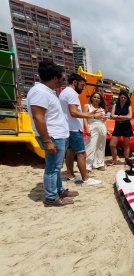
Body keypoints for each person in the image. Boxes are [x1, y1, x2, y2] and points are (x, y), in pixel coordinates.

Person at [27, 60, 78, 207]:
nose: (62, 83)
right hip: (52, 136)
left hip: (56, 135)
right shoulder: (40, 92)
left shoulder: (45, 92)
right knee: (52, 168)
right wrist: (47, 141)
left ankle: (59, 190)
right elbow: (38, 117)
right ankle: (51, 198)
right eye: (62, 79)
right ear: (54, 78)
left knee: (56, 167)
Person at [59, 73, 103, 186]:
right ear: (74, 82)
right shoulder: (72, 93)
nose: (83, 88)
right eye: (82, 85)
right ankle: (86, 179)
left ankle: (70, 174)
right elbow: (73, 112)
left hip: (67, 127)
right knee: (81, 154)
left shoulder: (64, 92)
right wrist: (91, 116)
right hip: (74, 128)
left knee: (70, 152)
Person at [82, 91, 107, 171]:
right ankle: (88, 165)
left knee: (101, 146)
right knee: (90, 146)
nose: (96, 99)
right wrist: (87, 128)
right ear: (91, 98)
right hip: (92, 126)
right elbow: (84, 118)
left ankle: (99, 163)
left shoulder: (102, 109)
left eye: (98, 98)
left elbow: (103, 120)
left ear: (100, 100)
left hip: (102, 127)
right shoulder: (87, 106)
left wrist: (104, 120)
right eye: (95, 97)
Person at [108, 89, 133, 165]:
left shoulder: (129, 106)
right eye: (122, 97)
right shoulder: (115, 105)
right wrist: (124, 117)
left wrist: (118, 116)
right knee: (112, 144)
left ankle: (126, 159)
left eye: (125, 98)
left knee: (126, 145)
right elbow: (111, 116)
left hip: (126, 126)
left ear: (127, 98)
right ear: (119, 97)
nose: (123, 99)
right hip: (118, 126)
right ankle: (114, 160)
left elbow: (130, 117)